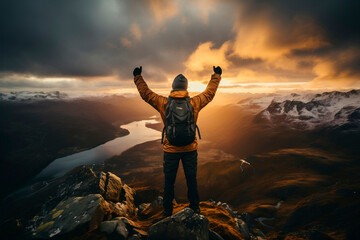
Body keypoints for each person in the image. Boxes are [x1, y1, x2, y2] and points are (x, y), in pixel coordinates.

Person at [133, 66, 222, 216]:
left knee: (169, 182)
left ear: (173, 88)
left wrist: (137, 77)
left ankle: (167, 212)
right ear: (186, 88)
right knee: (191, 180)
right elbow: (209, 93)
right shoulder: (194, 103)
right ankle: (195, 209)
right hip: (190, 149)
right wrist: (217, 75)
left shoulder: (164, 103)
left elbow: (146, 94)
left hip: (170, 150)